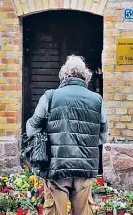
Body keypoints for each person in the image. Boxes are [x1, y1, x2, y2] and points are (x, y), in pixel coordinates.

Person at [26, 55, 108, 215]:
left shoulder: (50, 97)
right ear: (86, 77)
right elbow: (103, 137)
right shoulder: (97, 100)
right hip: (85, 167)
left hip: (56, 167)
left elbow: (31, 129)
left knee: (55, 210)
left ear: (63, 75)